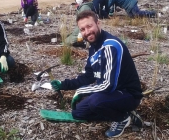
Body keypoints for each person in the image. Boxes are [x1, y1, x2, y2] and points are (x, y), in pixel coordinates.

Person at [52, 10, 143, 138]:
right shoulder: (93, 48)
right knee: (77, 113)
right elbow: (88, 76)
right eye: (83, 29)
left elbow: (109, 85)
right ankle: (119, 111)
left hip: (127, 94)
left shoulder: (111, 46)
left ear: (98, 23)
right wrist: (63, 84)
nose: (87, 32)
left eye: (89, 26)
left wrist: (81, 91)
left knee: (95, 102)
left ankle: (123, 118)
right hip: (110, 94)